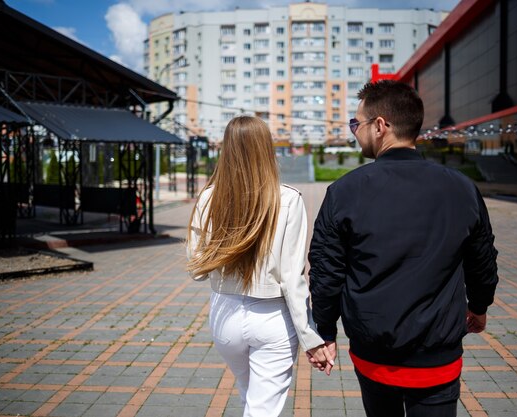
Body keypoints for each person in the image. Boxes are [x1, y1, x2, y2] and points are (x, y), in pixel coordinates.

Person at [307, 80, 499, 417]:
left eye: (357, 123)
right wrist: (479, 306)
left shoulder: (345, 191)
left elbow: (326, 270)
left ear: (380, 126)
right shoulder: (462, 188)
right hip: (437, 354)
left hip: (374, 352)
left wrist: (324, 330)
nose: (354, 132)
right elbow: (482, 259)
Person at [187, 116, 333, 417]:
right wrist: (310, 337)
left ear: (226, 149)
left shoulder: (208, 198)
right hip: (273, 320)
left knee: (249, 399)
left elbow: (196, 269)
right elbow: (293, 280)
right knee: (262, 409)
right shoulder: (288, 200)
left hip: (225, 315)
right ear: (266, 149)